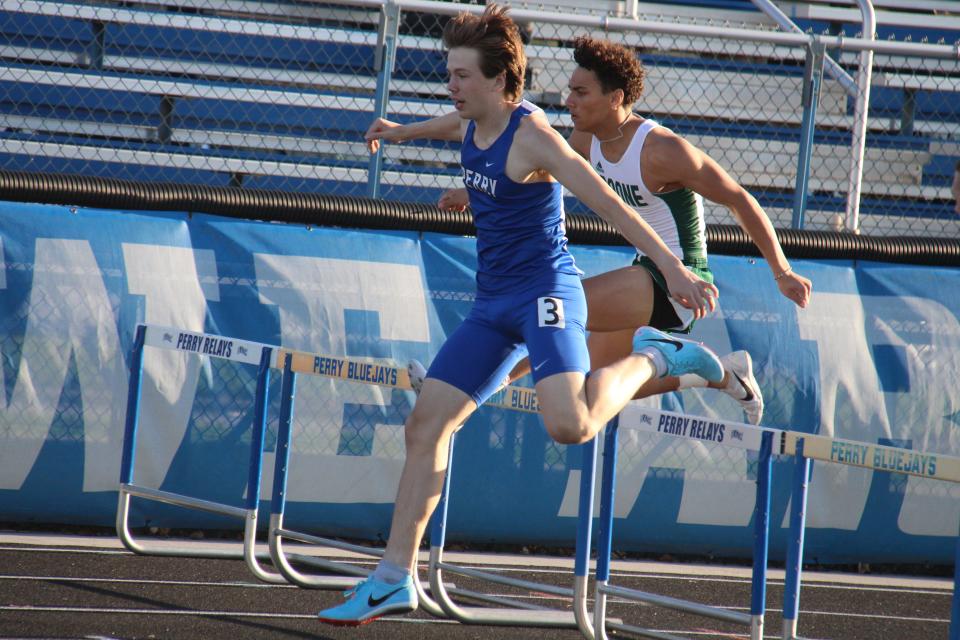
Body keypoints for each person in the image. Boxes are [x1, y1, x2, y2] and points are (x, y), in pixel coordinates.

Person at [317, 5, 725, 626]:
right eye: (448, 73)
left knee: (572, 424)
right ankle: (394, 577)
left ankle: (657, 357)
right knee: (425, 424)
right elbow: (453, 128)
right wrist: (399, 132)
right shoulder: (472, 119)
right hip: (493, 304)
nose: (450, 86)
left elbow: (603, 202)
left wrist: (671, 268)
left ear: (499, 80)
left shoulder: (534, 136)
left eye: (460, 76)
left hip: (547, 296)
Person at [436, 36, 813, 425]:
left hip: (679, 279)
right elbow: (544, 170)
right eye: (569, 90)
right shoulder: (586, 138)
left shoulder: (662, 150)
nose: (569, 101)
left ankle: (479, 385)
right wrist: (472, 189)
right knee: (592, 387)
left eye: (581, 92)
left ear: (615, 98)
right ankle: (718, 375)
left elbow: (738, 199)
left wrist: (782, 272)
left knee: (551, 307)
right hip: (644, 268)